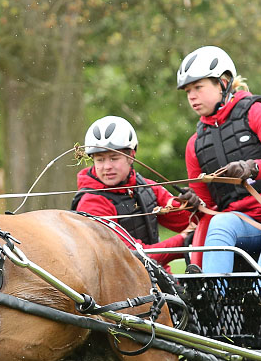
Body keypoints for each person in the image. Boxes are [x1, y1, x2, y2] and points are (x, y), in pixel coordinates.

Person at [178, 46, 261, 291]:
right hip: (244, 221)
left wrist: (253, 168)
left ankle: (260, 300)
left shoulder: (257, 112)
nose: (192, 97)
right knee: (220, 224)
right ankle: (215, 302)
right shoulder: (195, 145)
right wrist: (194, 203)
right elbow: (211, 208)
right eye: (188, 91)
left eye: (198, 87)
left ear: (223, 83)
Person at [71, 115, 198, 269]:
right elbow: (130, 257)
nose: (106, 166)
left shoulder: (146, 187)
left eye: (114, 158)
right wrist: (182, 240)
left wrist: (194, 207)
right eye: (100, 159)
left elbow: (192, 222)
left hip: (156, 279)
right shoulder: (90, 203)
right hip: (118, 285)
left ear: (131, 156)